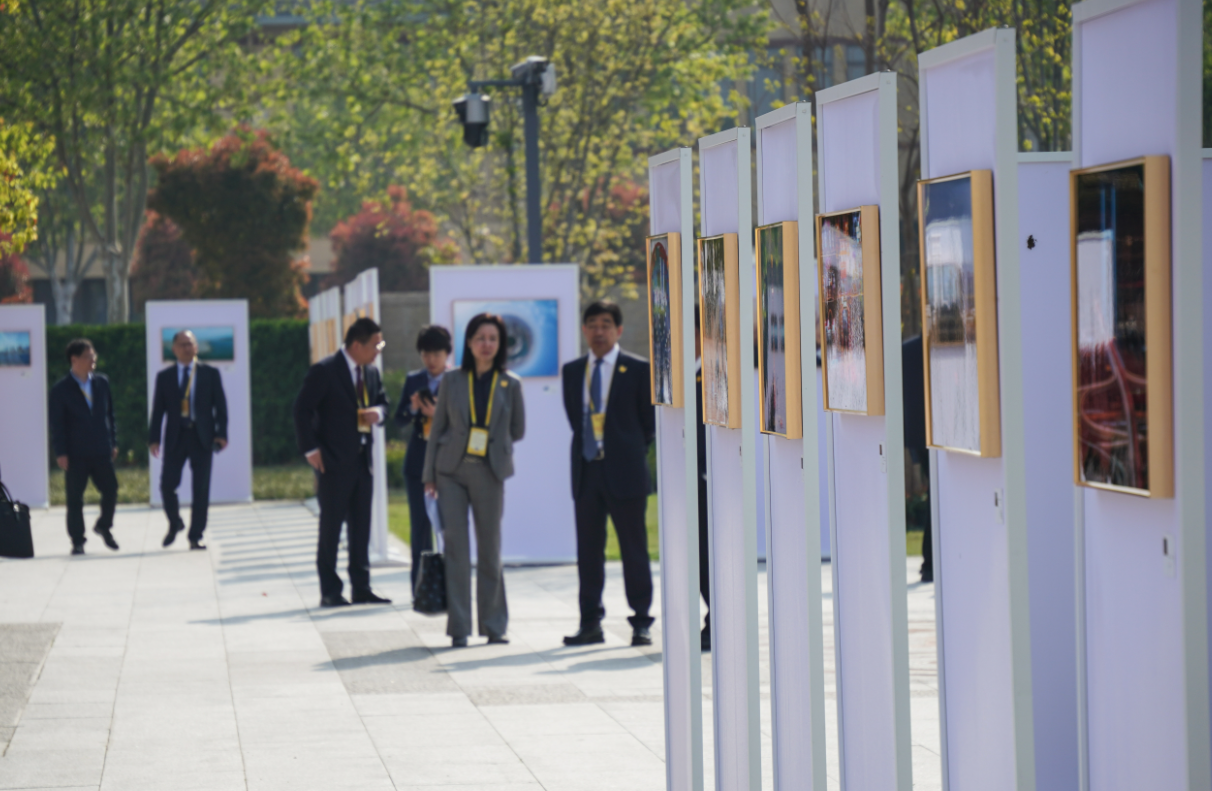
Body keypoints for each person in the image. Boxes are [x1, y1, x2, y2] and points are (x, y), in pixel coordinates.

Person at [423, 313, 525, 648]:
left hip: (489, 472)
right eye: (480, 338)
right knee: (456, 549)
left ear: (500, 345)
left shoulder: (511, 383)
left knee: (490, 549)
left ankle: (494, 626)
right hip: (450, 471)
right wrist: (429, 477)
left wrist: (496, 445)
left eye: (493, 339)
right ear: (468, 342)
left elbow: (518, 430)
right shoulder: (452, 380)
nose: (486, 344)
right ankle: (459, 628)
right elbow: (437, 429)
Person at [561, 301, 656, 648]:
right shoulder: (572, 371)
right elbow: (576, 419)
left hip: (625, 472)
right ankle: (590, 623)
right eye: (592, 325)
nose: (598, 331)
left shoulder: (638, 369)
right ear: (584, 330)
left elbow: (648, 424)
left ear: (618, 330)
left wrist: (625, 449)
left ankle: (641, 621)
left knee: (634, 549)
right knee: (588, 552)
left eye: (605, 325)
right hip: (587, 471)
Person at [293, 317, 393, 608]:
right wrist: (310, 449)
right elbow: (301, 409)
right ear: (356, 344)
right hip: (333, 462)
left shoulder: (371, 373)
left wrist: (379, 412)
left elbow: (384, 402)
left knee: (361, 526)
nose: (379, 350)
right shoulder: (325, 371)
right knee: (331, 528)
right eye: (376, 344)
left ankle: (361, 587)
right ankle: (330, 590)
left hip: (363, 462)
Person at [148, 330, 229, 550]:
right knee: (167, 486)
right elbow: (158, 411)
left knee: (200, 490)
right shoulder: (164, 377)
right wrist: (154, 439)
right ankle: (175, 523)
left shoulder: (209, 373)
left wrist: (222, 434)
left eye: (190, 344)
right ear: (173, 349)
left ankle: (196, 536)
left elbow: (220, 406)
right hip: (176, 437)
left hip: (202, 437)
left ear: (196, 347)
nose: (187, 348)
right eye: (182, 344)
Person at [393, 325, 452, 593]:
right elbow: (398, 420)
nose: (431, 360)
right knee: (420, 529)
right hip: (418, 461)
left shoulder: (458, 380)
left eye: (436, 353)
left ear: (447, 353)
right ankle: (420, 588)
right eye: (426, 354)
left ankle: (452, 586)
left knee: (452, 528)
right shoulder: (414, 380)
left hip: (450, 462)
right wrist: (413, 408)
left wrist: (439, 412)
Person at [48, 339, 119, 555]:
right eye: (89, 356)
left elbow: (110, 415)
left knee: (111, 489)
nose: (93, 360)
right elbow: (57, 424)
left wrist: (113, 442)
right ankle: (77, 540)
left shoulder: (102, 382)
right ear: (74, 360)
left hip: (101, 449)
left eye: (94, 355)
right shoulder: (61, 389)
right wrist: (60, 452)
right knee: (75, 498)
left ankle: (104, 526)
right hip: (75, 453)